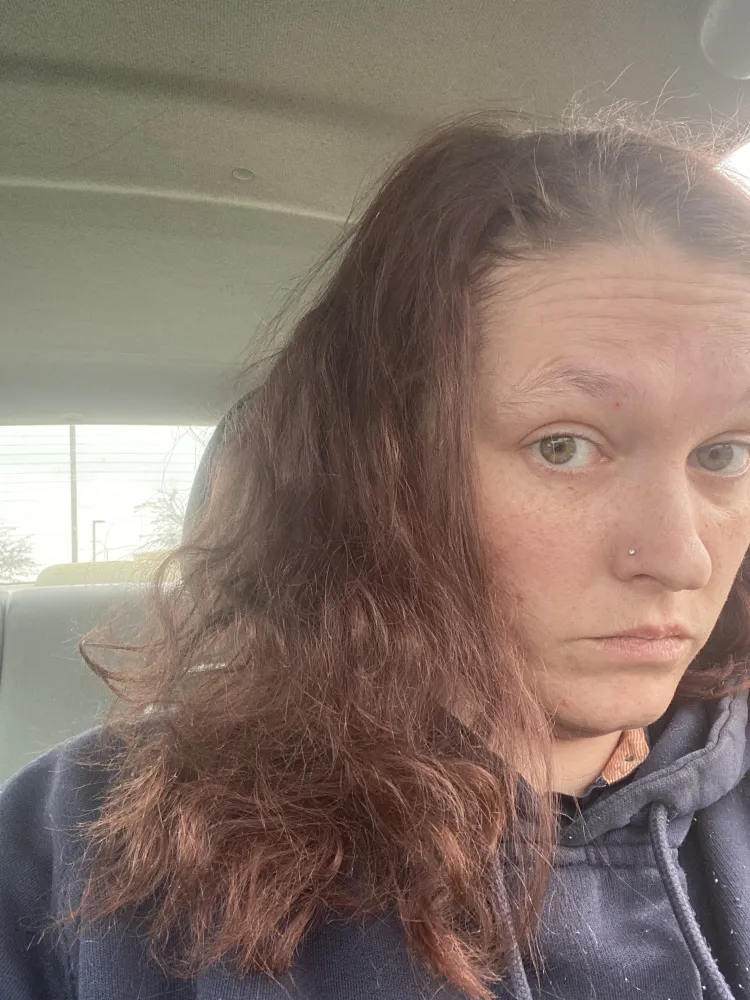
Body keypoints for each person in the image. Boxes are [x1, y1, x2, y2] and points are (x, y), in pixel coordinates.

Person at [3, 111, 750, 1000]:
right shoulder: (78, 845)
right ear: (382, 472)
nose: (680, 558)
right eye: (564, 446)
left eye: (724, 453)